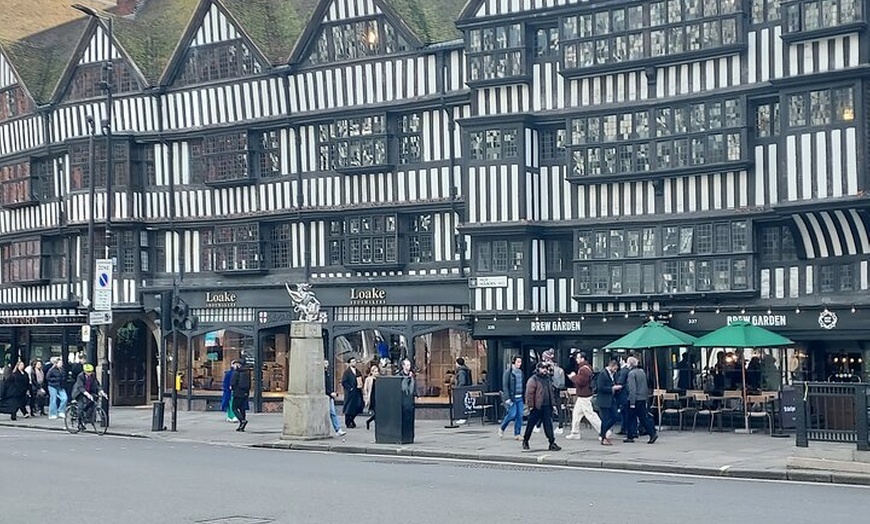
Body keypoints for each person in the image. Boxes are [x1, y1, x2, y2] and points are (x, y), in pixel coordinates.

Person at [521, 362, 561, 452]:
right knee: (531, 424)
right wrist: (530, 405)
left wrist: (553, 404)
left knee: (548, 425)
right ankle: (525, 440)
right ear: (538, 368)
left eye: (546, 368)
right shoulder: (533, 379)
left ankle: (552, 443)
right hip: (536, 406)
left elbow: (551, 393)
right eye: (543, 368)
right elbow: (529, 394)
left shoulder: (548, 379)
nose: (545, 370)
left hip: (547, 406)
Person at [566, 352, 604, 440]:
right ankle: (575, 432)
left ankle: (604, 431)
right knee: (576, 413)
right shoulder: (587, 368)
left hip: (584, 395)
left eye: (578, 358)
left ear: (582, 358)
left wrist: (573, 377)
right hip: (584, 394)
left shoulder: (583, 369)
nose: (576, 359)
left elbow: (581, 382)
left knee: (590, 414)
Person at [625, 356, 658, 444]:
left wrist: (632, 402)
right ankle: (652, 432)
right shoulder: (642, 372)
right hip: (642, 398)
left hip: (635, 399)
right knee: (643, 417)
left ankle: (631, 436)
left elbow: (632, 388)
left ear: (630, 364)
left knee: (631, 418)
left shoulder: (631, 374)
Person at [70, 364, 107, 428]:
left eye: (90, 371)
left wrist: (102, 392)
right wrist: (87, 394)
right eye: (88, 372)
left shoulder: (93, 375)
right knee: (81, 406)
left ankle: (87, 417)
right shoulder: (80, 376)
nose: (89, 373)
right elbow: (80, 387)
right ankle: (79, 422)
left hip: (90, 391)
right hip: (79, 392)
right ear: (84, 371)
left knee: (93, 403)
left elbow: (97, 384)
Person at [596, 359, 623, 446]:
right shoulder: (602, 374)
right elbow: (600, 387)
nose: (615, 371)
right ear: (611, 366)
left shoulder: (612, 375)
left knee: (615, 416)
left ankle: (602, 432)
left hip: (611, 399)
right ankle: (603, 437)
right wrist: (612, 388)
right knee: (605, 419)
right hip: (604, 400)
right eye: (615, 369)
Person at [498, 355, 524, 440]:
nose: (520, 364)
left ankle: (517, 434)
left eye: (520, 362)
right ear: (514, 362)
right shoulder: (508, 372)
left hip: (520, 396)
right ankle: (502, 427)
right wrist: (507, 398)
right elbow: (505, 386)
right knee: (512, 414)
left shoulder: (520, 372)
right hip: (512, 397)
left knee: (519, 415)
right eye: (518, 362)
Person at [324, 360, 346, 437]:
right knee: (331, 413)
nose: (327, 365)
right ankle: (337, 429)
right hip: (326, 396)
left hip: (329, 396)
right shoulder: (322, 374)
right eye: (325, 363)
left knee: (332, 413)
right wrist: (330, 393)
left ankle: (338, 429)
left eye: (327, 363)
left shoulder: (327, 374)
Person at [341, 357, 364, 428]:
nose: (354, 363)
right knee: (349, 407)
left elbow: (360, 379)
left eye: (355, 361)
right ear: (350, 363)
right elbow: (344, 382)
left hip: (357, 392)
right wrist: (350, 388)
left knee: (358, 406)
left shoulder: (357, 371)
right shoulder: (347, 372)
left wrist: (360, 384)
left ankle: (352, 419)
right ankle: (348, 421)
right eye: (353, 361)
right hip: (350, 393)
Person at [230, 359, 251, 432]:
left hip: (237, 392)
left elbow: (233, 382)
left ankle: (242, 420)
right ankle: (242, 426)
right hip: (245, 393)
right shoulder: (247, 372)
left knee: (234, 408)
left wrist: (232, 388)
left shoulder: (236, 372)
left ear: (238, 365)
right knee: (242, 409)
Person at [363, 363, 379, 431]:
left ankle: (370, 422)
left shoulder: (379, 379)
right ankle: (371, 422)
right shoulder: (368, 379)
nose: (377, 373)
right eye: (375, 371)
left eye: (377, 371)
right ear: (372, 372)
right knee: (376, 412)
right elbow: (365, 389)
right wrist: (366, 398)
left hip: (378, 397)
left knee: (377, 412)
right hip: (372, 397)